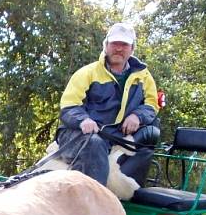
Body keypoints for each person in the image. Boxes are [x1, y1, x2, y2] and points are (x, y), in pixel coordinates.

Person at [56, 22, 160, 187]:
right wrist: (83, 120)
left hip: (115, 136)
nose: (118, 48)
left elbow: (152, 105)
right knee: (94, 144)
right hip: (78, 134)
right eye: (114, 43)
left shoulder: (144, 77)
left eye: (124, 44)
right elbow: (69, 106)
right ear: (106, 45)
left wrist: (137, 116)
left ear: (132, 49)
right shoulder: (87, 73)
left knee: (149, 138)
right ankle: (95, 206)